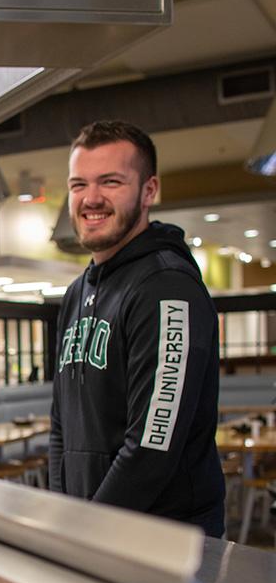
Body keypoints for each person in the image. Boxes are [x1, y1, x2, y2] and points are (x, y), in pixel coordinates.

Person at [49, 120, 226, 537]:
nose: (91, 198)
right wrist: (63, 519)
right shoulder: (76, 294)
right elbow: (61, 425)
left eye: (110, 182)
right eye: (78, 185)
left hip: (163, 541)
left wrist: (86, 532)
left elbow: (153, 443)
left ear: (149, 191)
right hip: (95, 536)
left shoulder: (167, 288)